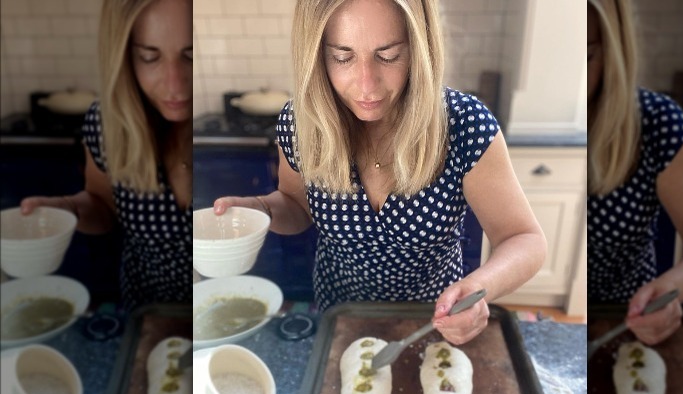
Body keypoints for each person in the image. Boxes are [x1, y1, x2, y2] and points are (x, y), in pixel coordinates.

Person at [213, 0, 546, 345]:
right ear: (315, 54)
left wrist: (479, 287)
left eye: (388, 56)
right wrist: (262, 211)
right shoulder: (301, 125)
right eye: (342, 57)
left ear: (419, 48)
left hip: (434, 325)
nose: (367, 85)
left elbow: (525, 239)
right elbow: (297, 206)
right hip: (340, 321)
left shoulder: (463, 125)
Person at [21, 0, 193, 311]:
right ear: (124, 55)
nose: (175, 86)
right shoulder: (105, 125)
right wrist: (69, 209)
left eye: (191, 55)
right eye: (149, 57)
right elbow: (104, 209)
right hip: (146, 312)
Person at [587, 0, 683, 344]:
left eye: (585, 58)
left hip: (634, 323)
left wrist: (671, 287)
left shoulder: (657, 124)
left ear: (614, 49)